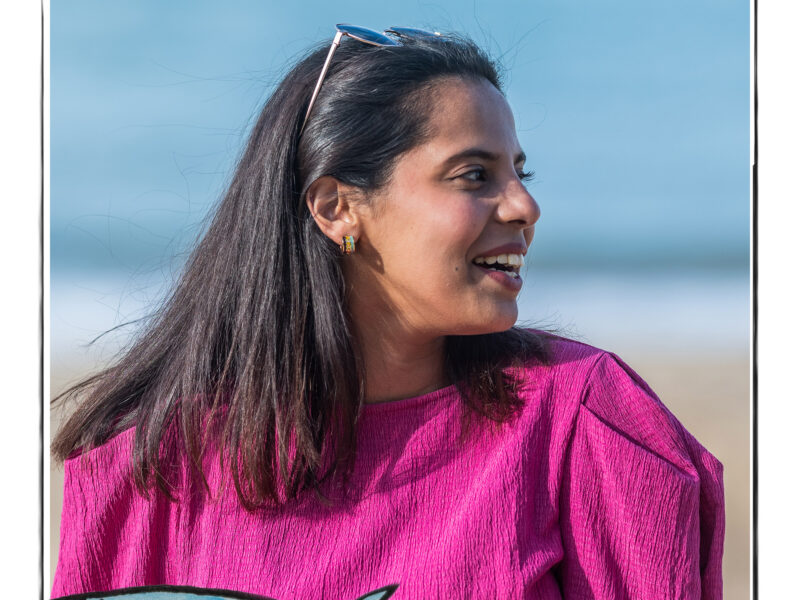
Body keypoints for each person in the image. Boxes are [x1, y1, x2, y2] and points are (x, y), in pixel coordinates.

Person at [50, 25, 724, 600]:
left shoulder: (585, 426)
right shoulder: (146, 471)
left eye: (520, 173)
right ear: (337, 208)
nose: (524, 207)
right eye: (473, 175)